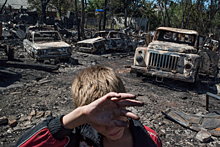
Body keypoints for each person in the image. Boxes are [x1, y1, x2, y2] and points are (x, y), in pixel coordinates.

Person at [15, 65, 162, 147]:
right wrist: (76, 118)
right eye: (99, 118)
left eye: (115, 112)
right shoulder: (75, 137)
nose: (111, 127)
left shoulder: (150, 139)